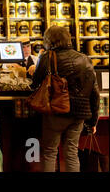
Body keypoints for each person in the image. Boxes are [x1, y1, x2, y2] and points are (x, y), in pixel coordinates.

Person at [31, 25, 100, 172]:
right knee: (71, 153)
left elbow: (34, 84)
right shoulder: (84, 58)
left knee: (50, 152)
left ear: (49, 40)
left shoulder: (47, 57)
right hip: (79, 114)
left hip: (56, 111)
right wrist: (93, 121)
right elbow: (94, 92)